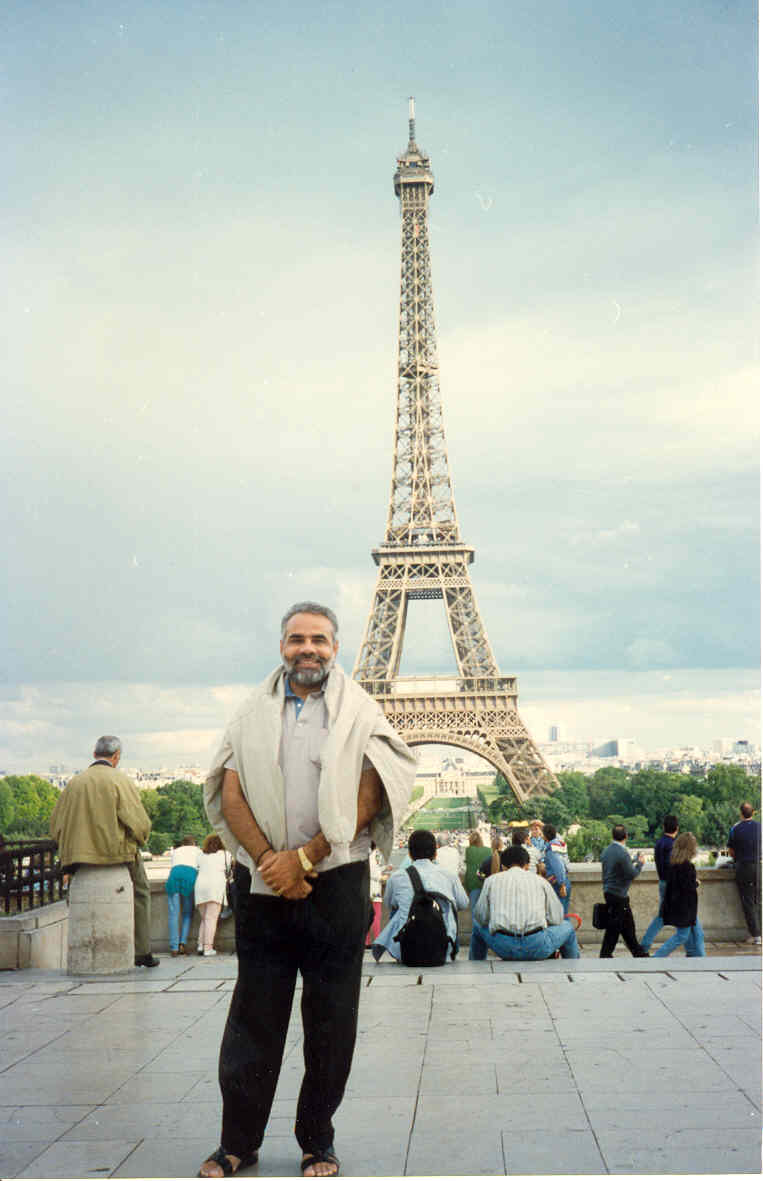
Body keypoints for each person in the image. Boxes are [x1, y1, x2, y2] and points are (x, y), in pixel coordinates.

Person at [199, 602, 416, 1179]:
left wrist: (305, 856)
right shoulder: (250, 713)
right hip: (266, 879)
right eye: (297, 639)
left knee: (332, 1019)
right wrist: (273, 861)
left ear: (335, 647)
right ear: (282, 646)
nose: (308, 649)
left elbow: (374, 786)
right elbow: (230, 790)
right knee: (254, 1015)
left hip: (335, 876)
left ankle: (318, 1140)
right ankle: (237, 1142)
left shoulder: (361, 710)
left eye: (319, 639)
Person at [49, 735, 158, 967]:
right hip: (115, 854)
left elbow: (56, 825)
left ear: (94, 754)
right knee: (141, 892)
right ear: (116, 756)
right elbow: (138, 823)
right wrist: (140, 839)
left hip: (78, 857)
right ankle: (142, 951)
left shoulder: (74, 783)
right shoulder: (119, 781)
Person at [372, 829, 469, 961]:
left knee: (397, 910)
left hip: (406, 949)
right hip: (443, 947)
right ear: (435, 853)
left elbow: (390, 904)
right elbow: (463, 903)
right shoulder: (449, 876)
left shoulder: (397, 877)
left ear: (410, 855)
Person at [469, 846, 580, 960]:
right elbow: (556, 918)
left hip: (503, 947)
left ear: (503, 866)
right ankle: (572, 967)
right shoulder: (541, 882)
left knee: (477, 927)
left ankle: (476, 967)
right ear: (527, 865)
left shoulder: (490, 881)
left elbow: (480, 917)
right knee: (568, 927)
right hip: (537, 945)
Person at [599, 825, 649, 958]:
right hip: (619, 894)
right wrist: (640, 864)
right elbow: (631, 873)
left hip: (609, 892)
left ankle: (637, 951)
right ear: (626, 836)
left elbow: (616, 865)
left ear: (613, 836)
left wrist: (633, 860)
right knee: (616, 927)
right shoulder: (622, 853)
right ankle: (606, 954)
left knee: (624, 925)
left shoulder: (607, 851)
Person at [653, 832, 705, 958]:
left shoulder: (673, 865)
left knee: (696, 934)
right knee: (683, 936)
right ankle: (656, 958)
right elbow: (688, 888)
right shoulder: (688, 867)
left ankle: (697, 957)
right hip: (686, 909)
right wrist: (696, 883)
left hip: (679, 907)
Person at [640, 814, 678, 953]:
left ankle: (645, 943)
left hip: (662, 881)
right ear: (677, 828)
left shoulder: (659, 843)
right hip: (671, 884)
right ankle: (645, 944)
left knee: (664, 915)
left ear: (663, 827)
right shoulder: (673, 844)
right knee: (667, 917)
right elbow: (672, 866)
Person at [728, 802, 761, 944]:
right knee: (758, 900)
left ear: (740, 813)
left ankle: (756, 935)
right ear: (753, 813)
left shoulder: (735, 829)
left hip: (743, 867)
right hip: (759, 866)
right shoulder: (760, 827)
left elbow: (731, 850)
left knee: (748, 902)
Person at [195, 834, 232, 956]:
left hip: (200, 886)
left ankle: (200, 945)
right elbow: (229, 872)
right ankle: (208, 948)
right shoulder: (226, 854)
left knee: (204, 919)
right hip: (215, 887)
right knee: (211, 919)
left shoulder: (200, 855)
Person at [166, 835, 201, 956]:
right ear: (194, 843)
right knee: (187, 913)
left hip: (174, 876)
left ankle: (174, 947)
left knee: (173, 914)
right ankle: (182, 943)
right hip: (190, 876)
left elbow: (173, 866)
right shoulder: (198, 851)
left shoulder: (175, 851)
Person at [541, 824, 571, 914]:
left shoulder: (551, 849)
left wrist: (562, 885)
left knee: (558, 915)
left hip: (558, 884)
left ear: (546, 835)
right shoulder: (559, 844)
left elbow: (559, 867)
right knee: (564, 914)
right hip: (564, 881)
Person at [464, 830, 491, 909]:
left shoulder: (468, 850)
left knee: (474, 909)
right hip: (485, 881)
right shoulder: (489, 850)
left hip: (472, 881)